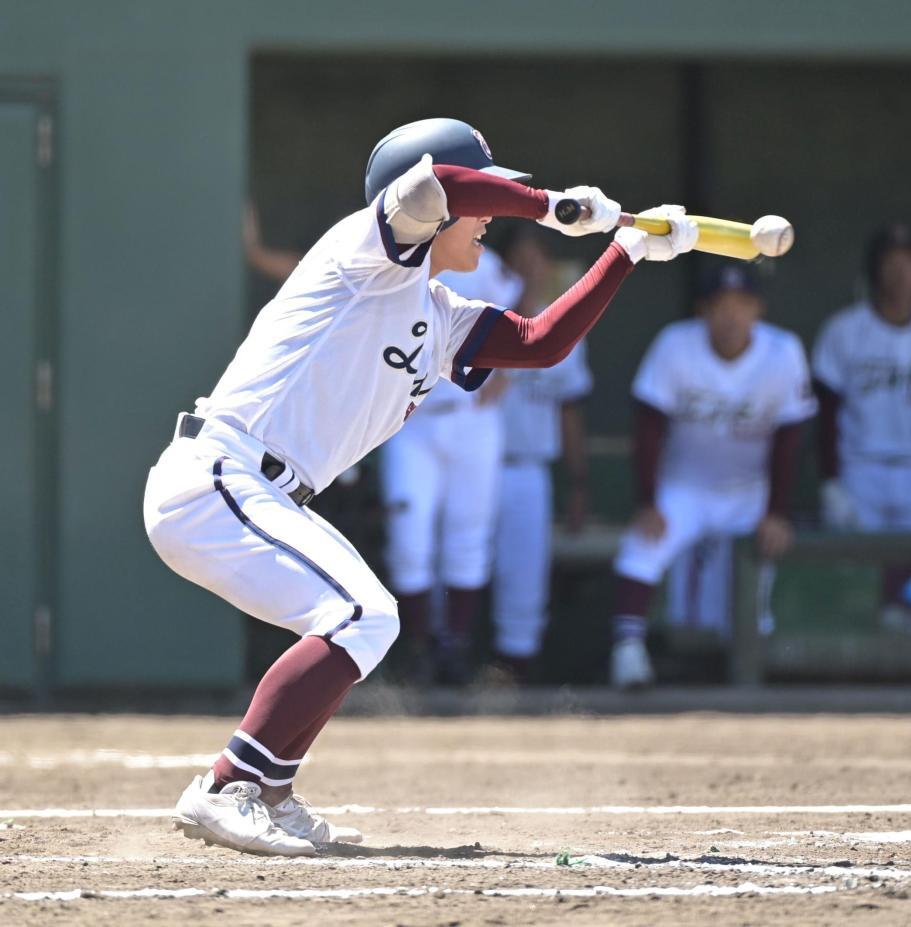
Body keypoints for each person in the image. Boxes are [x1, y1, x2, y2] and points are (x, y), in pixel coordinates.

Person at [143, 117, 698, 856]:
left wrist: (624, 251)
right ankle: (227, 784)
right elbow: (443, 184)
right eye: (482, 209)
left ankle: (268, 789)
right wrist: (550, 204)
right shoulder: (364, 251)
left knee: (364, 618)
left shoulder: (436, 311)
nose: (487, 226)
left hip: (258, 492)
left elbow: (541, 343)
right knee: (362, 613)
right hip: (220, 474)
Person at [610, 264, 815, 689]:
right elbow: (648, 427)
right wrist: (648, 501)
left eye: (741, 305)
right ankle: (628, 651)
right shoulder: (675, 345)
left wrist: (778, 511)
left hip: (749, 491)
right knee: (640, 549)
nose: (731, 316)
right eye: (720, 305)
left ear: (758, 309)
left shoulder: (783, 352)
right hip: (686, 486)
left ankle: (746, 678)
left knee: (752, 597)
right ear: (703, 310)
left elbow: (790, 439)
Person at [380, 247, 523, 685]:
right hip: (411, 423)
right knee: (409, 538)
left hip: (471, 419)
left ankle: (455, 647)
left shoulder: (483, 259)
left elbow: (518, 315)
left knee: (469, 534)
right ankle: (419, 648)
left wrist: (507, 368)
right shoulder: (392, 255)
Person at [489, 226, 593, 682]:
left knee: (525, 580)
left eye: (538, 261)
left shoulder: (566, 328)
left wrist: (578, 484)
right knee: (451, 567)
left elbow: (570, 410)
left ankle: (515, 675)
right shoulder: (479, 318)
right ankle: (441, 666)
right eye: (520, 262)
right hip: (473, 467)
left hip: (528, 468)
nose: (531, 272)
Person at [812, 223, 911, 532]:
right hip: (861, 469)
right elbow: (825, 414)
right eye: (891, 262)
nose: (900, 273)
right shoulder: (843, 330)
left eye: (909, 262)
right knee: (859, 574)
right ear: (875, 269)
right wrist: (830, 481)